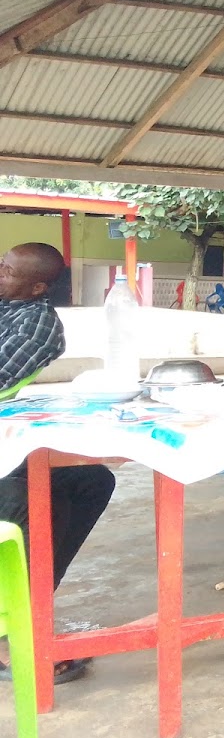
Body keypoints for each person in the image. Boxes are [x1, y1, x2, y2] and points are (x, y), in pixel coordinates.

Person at [0, 242, 114, 685]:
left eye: (7, 271)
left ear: (36, 287)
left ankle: (24, 612)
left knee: (89, 481)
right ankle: (13, 636)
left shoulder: (35, 324)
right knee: (33, 501)